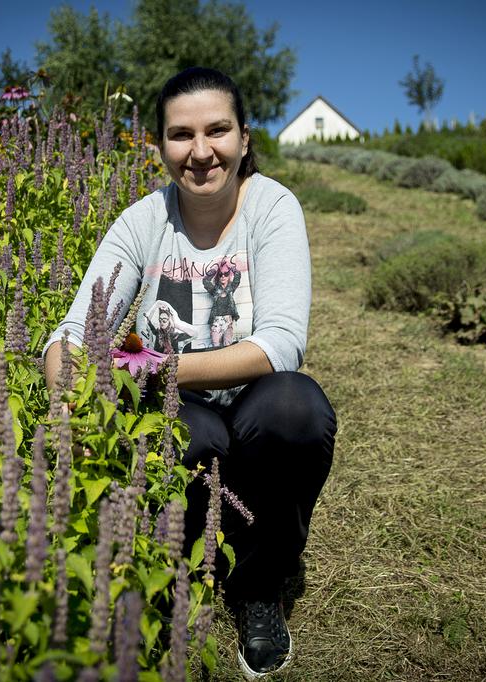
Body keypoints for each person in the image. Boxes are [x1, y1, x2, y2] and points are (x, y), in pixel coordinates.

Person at [43, 67, 336, 679]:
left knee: (296, 408)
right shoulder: (143, 223)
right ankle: (173, 567)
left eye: (218, 130)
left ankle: (259, 585)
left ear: (245, 138)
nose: (201, 152)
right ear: (160, 146)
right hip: (185, 414)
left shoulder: (272, 208)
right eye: (181, 135)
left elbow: (281, 345)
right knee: (190, 434)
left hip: (257, 402)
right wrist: (66, 391)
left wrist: (156, 366)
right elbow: (73, 331)